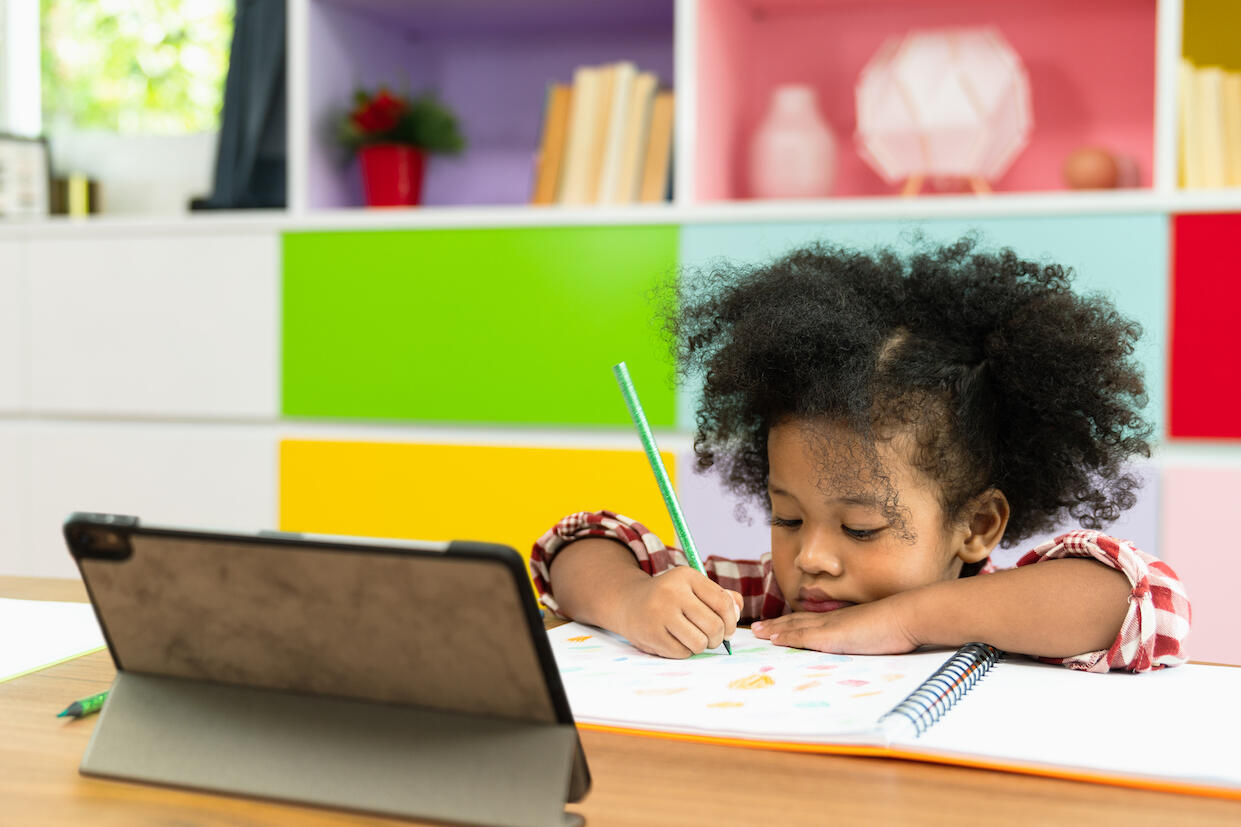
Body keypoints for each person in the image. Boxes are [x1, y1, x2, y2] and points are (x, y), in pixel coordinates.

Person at [530, 237, 1190, 673]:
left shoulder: (1008, 613)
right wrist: (631, 603)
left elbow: (1149, 600)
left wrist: (904, 620)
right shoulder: (764, 602)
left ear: (976, 525)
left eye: (859, 528)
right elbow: (581, 542)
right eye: (787, 517)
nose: (809, 557)